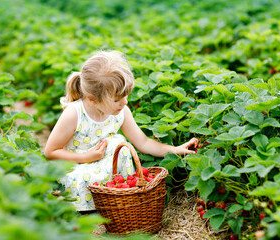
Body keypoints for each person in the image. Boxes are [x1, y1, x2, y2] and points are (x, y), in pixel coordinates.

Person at [44, 50, 199, 212]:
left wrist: (176, 150)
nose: (124, 102)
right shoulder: (74, 113)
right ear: (92, 99)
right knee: (83, 179)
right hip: (77, 165)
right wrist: (85, 157)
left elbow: (144, 142)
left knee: (119, 144)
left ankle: (117, 196)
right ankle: (89, 204)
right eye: (117, 99)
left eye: (126, 96)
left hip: (104, 165)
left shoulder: (122, 110)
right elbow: (51, 151)